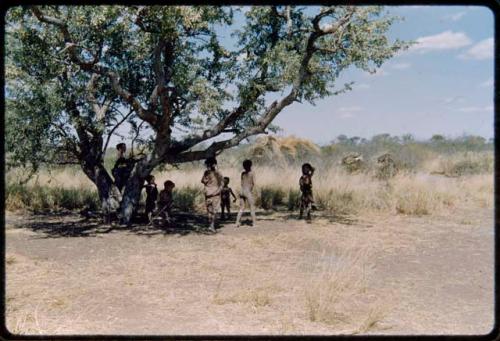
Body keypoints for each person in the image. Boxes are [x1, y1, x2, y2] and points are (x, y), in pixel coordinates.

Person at [201, 157, 223, 232]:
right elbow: (222, 184)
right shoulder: (218, 173)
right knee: (213, 211)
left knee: (210, 210)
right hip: (215, 194)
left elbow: (203, 181)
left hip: (209, 193)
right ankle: (211, 225)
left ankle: (211, 225)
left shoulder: (207, 173)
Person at [235, 159, 256, 227]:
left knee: (242, 208)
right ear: (250, 165)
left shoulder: (243, 173)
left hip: (242, 191)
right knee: (252, 207)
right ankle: (254, 223)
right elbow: (253, 183)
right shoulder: (252, 173)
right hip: (248, 191)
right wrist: (250, 190)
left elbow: (241, 183)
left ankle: (237, 222)